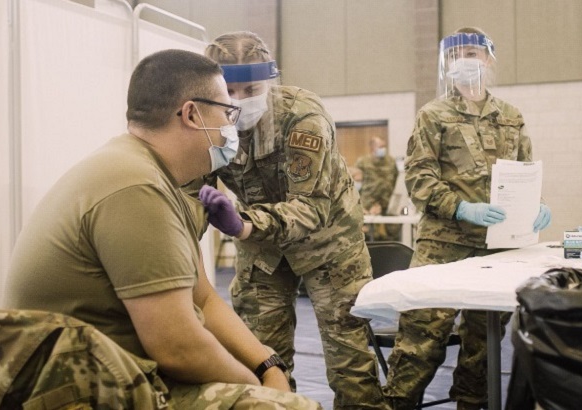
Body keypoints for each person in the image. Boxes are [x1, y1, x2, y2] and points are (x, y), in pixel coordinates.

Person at [4, 49, 321, 410]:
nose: (231, 126)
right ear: (191, 114)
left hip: (107, 373)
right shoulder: (137, 188)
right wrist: (259, 389)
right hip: (81, 388)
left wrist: (269, 366)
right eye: (226, 112)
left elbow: (203, 299)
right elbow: (177, 348)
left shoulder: (147, 174)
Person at [186, 31, 388, 410]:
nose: (242, 100)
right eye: (231, 90)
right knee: (261, 358)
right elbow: (190, 188)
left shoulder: (302, 116)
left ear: (270, 81)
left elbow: (310, 207)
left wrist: (241, 225)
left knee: (351, 368)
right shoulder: (205, 120)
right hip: (263, 248)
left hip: (329, 244)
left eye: (253, 88)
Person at [382, 27, 552, 410]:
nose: (467, 61)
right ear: (447, 63)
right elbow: (418, 178)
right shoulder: (434, 115)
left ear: (489, 60)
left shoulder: (510, 116)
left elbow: (524, 170)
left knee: (482, 350)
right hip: (443, 245)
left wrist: (536, 204)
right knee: (421, 341)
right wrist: (459, 206)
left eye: (474, 53)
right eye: (458, 55)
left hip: (496, 248)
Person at [355, 137, 400, 241]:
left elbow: (395, 178)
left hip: (386, 204)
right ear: (372, 148)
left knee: (390, 236)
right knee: (367, 237)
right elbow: (356, 181)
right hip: (367, 205)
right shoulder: (362, 162)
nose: (383, 149)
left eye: (384, 146)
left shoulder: (391, 162)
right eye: (380, 147)